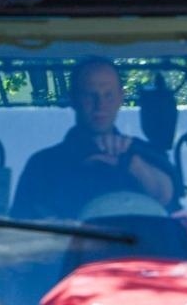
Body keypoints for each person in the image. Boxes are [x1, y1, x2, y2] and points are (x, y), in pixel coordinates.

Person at [11, 57, 177, 220]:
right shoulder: (43, 165)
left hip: (143, 247)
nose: (100, 105)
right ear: (73, 99)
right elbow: (24, 227)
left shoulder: (145, 155)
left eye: (109, 95)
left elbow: (166, 198)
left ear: (121, 98)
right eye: (90, 95)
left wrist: (133, 165)